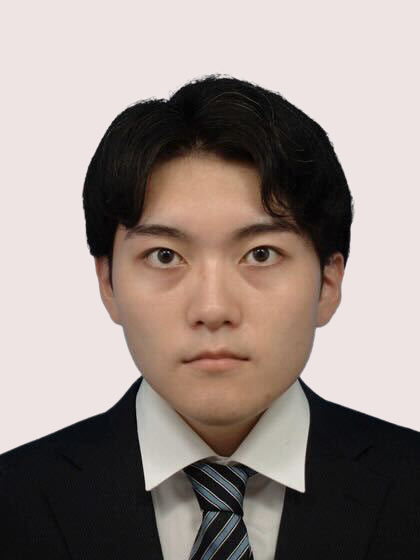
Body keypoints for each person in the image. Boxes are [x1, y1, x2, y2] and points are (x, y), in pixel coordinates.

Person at [1, 74, 419, 559]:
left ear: (328, 282)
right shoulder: (14, 502)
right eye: (164, 256)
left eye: (261, 254)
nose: (213, 309)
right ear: (108, 283)